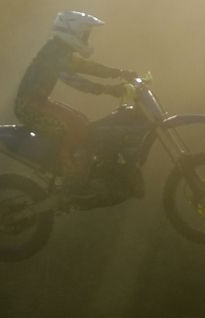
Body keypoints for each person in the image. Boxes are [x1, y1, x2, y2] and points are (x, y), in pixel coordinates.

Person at [15, 11, 137, 194]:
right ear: (73, 32)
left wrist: (120, 73)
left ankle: (85, 172)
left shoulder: (59, 49)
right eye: (85, 33)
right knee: (75, 127)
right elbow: (73, 80)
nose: (86, 37)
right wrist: (108, 90)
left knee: (83, 122)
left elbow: (88, 67)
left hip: (38, 103)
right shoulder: (55, 53)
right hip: (30, 107)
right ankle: (71, 180)